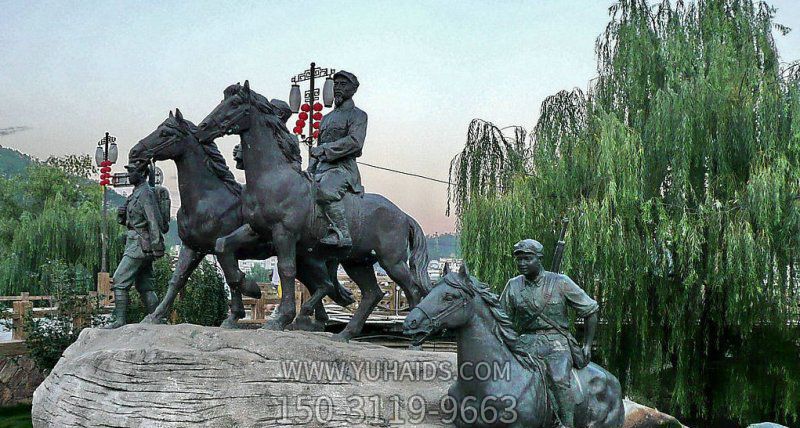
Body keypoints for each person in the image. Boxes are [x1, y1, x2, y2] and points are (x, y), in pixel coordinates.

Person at [499, 239, 599, 428]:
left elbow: (590, 310)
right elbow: (502, 319)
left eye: (527, 259)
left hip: (556, 343)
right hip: (525, 342)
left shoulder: (561, 282)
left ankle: (566, 423)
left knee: (559, 378)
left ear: (539, 259)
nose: (522, 263)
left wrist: (586, 345)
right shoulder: (512, 286)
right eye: (519, 260)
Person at [308, 70, 367, 247]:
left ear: (353, 89)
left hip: (343, 170)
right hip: (321, 169)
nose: (338, 88)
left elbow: (355, 142)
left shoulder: (358, 115)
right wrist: (310, 168)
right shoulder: (326, 118)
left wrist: (324, 149)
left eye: (343, 85)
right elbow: (317, 149)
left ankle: (342, 233)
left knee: (325, 190)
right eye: (336, 85)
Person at [104, 161, 166, 329]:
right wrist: (122, 215)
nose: (129, 175)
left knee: (119, 280)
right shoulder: (136, 193)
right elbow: (133, 220)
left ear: (141, 173)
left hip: (138, 246)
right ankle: (157, 319)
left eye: (132, 172)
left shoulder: (145, 193)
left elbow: (152, 220)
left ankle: (120, 320)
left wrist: (157, 245)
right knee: (144, 285)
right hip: (139, 244)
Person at [233, 98, 293, 170]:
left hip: (279, 179)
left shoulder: (291, 139)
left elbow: (291, 167)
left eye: (270, 110)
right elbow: (241, 166)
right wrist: (244, 153)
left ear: (280, 114)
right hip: (259, 179)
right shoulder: (258, 136)